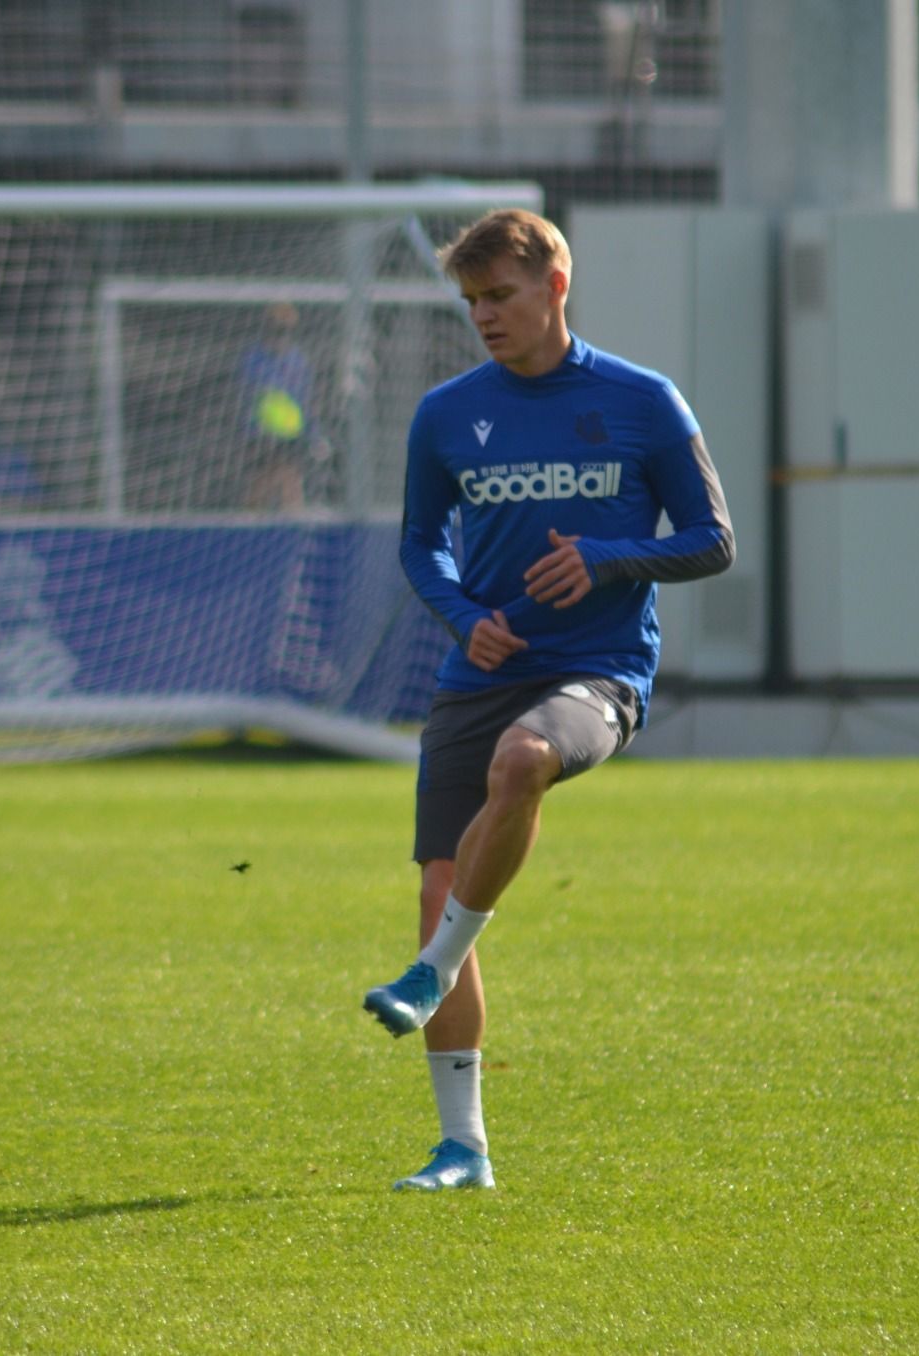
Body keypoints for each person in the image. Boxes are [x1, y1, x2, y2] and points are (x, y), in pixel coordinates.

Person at [361, 208, 735, 1190]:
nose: (483, 316)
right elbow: (418, 542)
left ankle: (432, 968)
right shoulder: (446, 413)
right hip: (478, 669)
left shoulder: (642, 402)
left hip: (596, 672)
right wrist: (457, 616)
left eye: (500, 296)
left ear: (554, 286)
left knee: (522, 760)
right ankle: (462, 1149)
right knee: (439, 890)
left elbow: (711, 539)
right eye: (471, 301)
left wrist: (609, 557)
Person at [234, 301, 315, 511]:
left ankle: (295, 521)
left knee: (290, 478)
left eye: (288, 331)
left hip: (290, 434)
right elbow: (254, 395)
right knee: (262, 481)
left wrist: (312, 433)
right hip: (259, 435)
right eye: (278, 331)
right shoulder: (254, 359)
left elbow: (304, 400)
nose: (282, 338)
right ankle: (250, 522)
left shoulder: (298, 361)